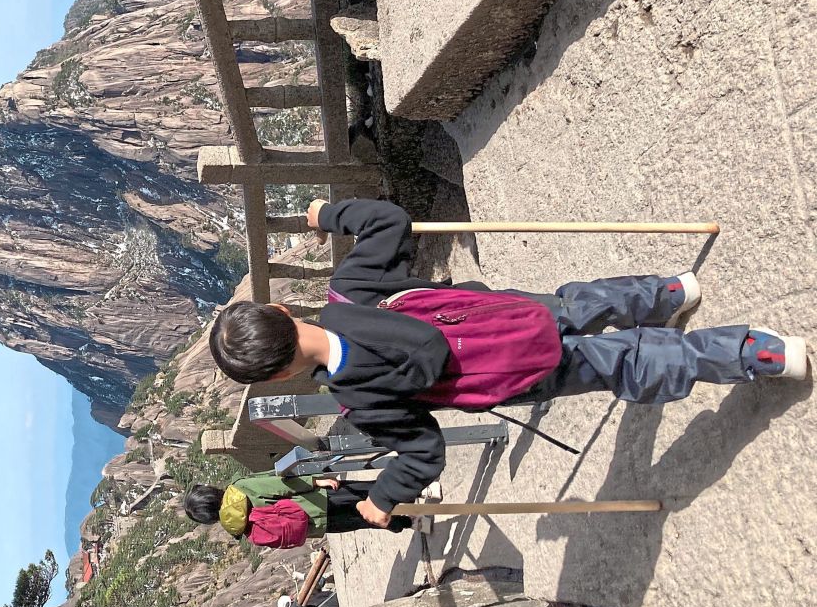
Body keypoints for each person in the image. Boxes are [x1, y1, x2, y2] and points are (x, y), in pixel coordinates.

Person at [207, 198, 809, 529]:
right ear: (283, 309)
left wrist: (384, 497)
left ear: (278, 375)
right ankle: (672, 292)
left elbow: (423, 452)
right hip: (503, 315)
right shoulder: (350, 290)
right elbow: (387, 221)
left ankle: (754, 353)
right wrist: (326, 216)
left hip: (514, 376)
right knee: (578, 304)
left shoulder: (360, 401)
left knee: (614, 363)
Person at [182, 471, 410, 548]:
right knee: (368, 493)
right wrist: (315, 481)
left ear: (210, 519)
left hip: (320, 525)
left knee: (364, 519)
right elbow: (281, 485)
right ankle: (417, 490)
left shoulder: (239, 530)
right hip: (319, 499)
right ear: (211, 492)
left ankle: (408, 522)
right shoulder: (240, 488)